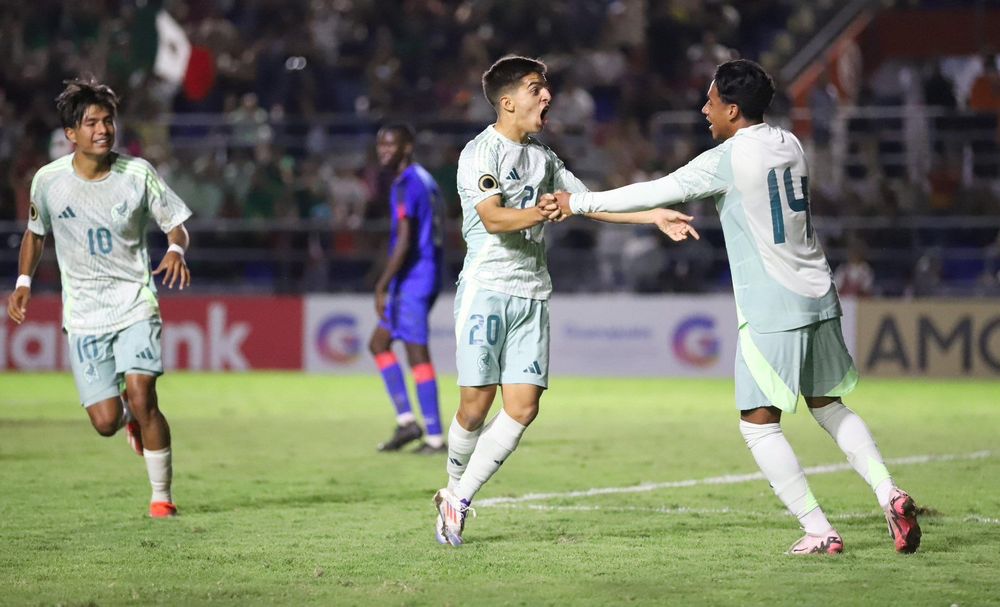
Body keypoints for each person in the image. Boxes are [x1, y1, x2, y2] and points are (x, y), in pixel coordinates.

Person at [551, 59, 921, 555]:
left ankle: (817, 529)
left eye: (709, 101)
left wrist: (577, 203)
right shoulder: (790, 143)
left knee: (757, 424)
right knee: (829, 405)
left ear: (731, 107)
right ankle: (888, 493)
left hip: (772, 305)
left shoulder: (727, 157)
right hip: (819, 292)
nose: (704, 110)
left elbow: (653, 190)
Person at [433, 55, 695, 546]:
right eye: (536, 88)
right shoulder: (479, 154)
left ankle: (458, 498)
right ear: (508, 102)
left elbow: (588, 203)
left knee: (523, 407)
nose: (547, 96)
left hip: (532, 292)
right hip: (487, 290)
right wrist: (538, 210)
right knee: (474, 406)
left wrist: (653, 215)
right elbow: (492, 218)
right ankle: (451, 485)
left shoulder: (544, 158)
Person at [6, 78, 192, 519]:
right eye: (91, 123)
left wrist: (175, 249)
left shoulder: (137, 174)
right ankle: (126, 418)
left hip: (134, 302)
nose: (103, 129)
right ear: (71, 134)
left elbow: (176, 223)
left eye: (108, 120)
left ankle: (161, 496)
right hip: (85, 314)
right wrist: (23, 283)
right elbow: (36, 235)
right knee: (106, 422)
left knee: (144, 393)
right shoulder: (49, 182)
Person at [368, 123, 446, 455]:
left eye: (391, 145)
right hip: (421, 274)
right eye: (380, 145)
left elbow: (405, 239)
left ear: (407, 147)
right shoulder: (427, 181)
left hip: (415, 277)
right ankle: (406, 422)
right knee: (379, 343)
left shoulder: (407, 184)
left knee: (416, 353)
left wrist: (382, 284)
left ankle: (434, 436)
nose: (384, 151)